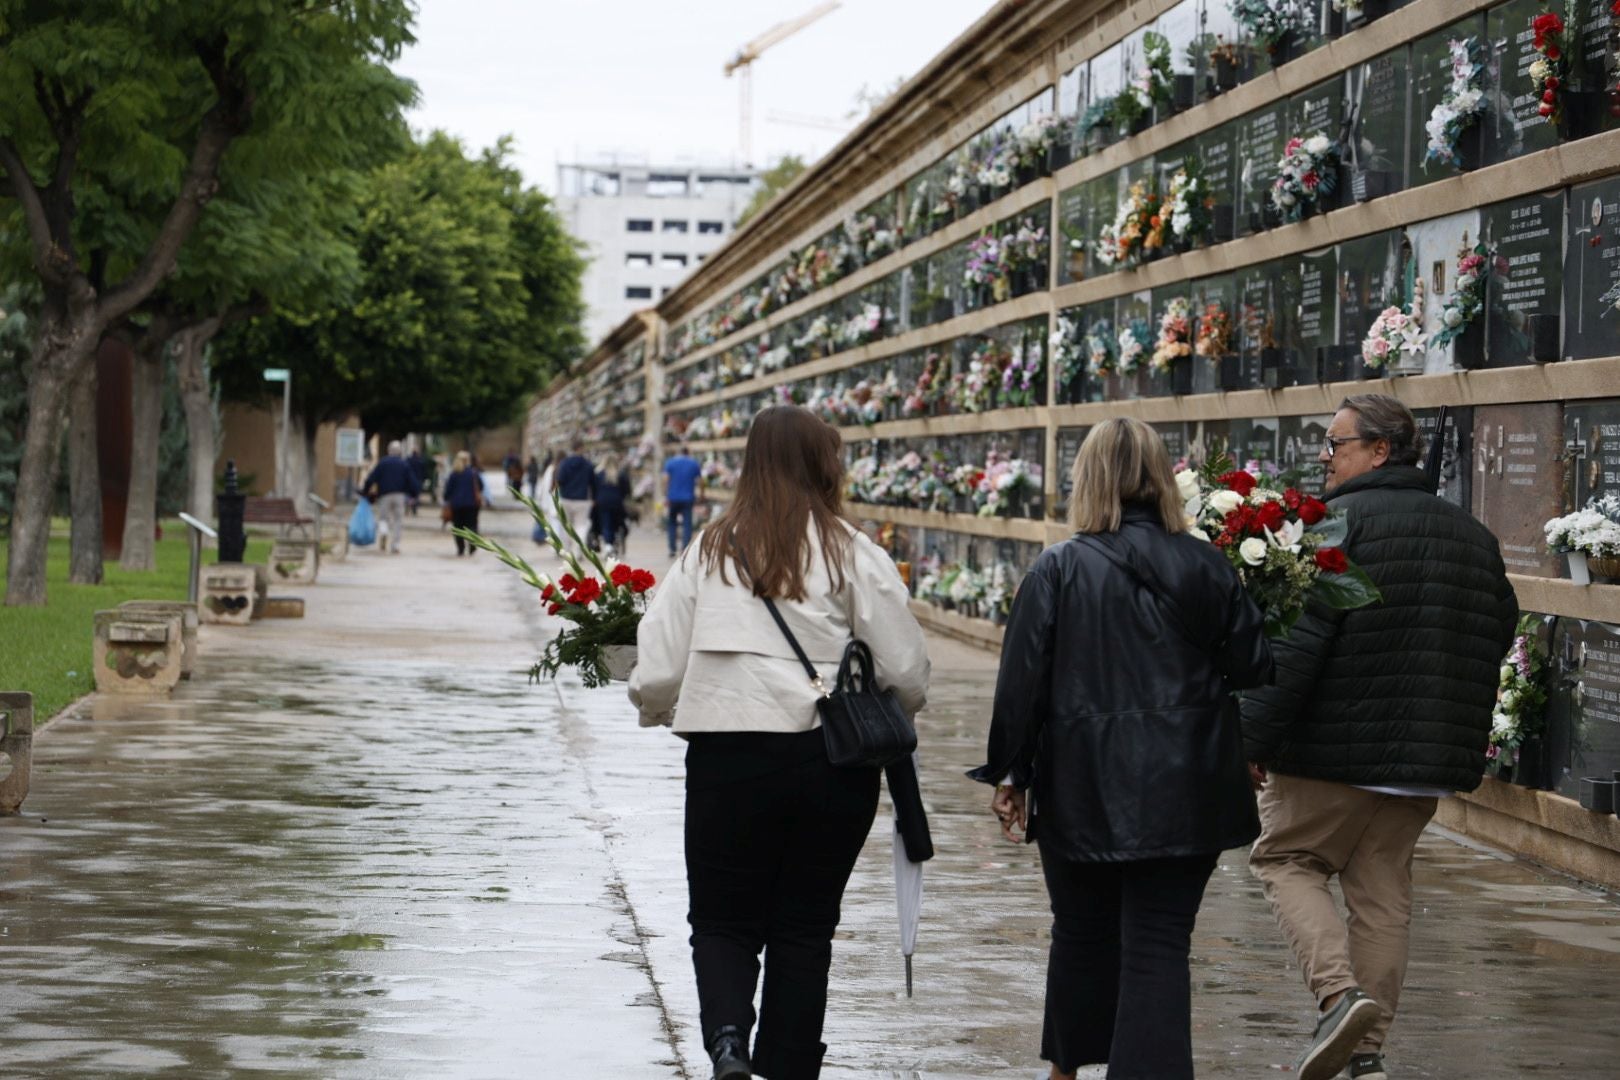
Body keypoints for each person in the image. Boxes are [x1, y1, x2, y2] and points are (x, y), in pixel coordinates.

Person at [630, 405, 931, 1080]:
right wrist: (888, 706)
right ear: (824, 463)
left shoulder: (706, 551)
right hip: (829, 762)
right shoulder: (852, 550)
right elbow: (907, 671)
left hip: (726, 756)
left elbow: (656, 670)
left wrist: (661, 709)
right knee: (804, 923)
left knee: (721, 918)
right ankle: (791, 1066)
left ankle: (729, 1044)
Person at [971, 417, 1272, 1080]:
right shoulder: (1205, 561)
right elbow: (1253, 663)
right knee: (1159, 945)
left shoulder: (1058, 567)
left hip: (1082, 787)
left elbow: (1020, 684)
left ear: (1091, 478)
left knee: (1079, 931)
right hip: (1188, 785)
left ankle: (1068, 1068)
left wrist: (1010, 774)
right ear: (1163, 479)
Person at [1241, 394, 1518, 1080]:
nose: (1326, 459)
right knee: (1382, 896)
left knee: (1288, 861)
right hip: (1419, 765)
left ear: (1379, 450)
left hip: (1329, 754)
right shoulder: (1473, 536)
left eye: (1336, 444)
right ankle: (1366, 1060)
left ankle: (1338, 998)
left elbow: (1300, 646)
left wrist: (1250, 736)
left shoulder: (1339, 526)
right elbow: (1497, 630)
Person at [362, 440, 418, 555]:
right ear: (399, 452)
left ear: (389, 451)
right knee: (398, 520)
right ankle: (395, 545)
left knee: (383, 518)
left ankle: (383, 532)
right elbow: (412, 481)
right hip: (399, 495)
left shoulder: (383, 463)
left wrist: (365, 491)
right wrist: (414, 494)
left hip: (384, 495)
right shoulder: (404, 464)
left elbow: (372, 478)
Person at [552, 438, 596, 555]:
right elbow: (593, 483)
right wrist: (594, 498)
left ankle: (567, 550)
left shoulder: (565, 463)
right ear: (581, 448)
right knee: (581, 526)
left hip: (566, 498)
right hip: (582, 500)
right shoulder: (588, 464)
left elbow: (560, 480)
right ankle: (578, 550)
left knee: (566, 526)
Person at [442, 450, 486, 557]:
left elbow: (448, 490)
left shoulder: (454, 474)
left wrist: (447, 499)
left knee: (458, 527)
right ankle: (472, 546)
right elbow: (481, 486)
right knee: (472, 526)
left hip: (457, 505)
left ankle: (461, 548)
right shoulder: (473, 473)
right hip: (472, 505)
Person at [663, 442, 703, 558]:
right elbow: (700, 481)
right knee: (687, 523)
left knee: (671, 523)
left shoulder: (670, 463)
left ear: (679, 452)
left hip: (673, 497)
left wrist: (666, 495)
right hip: (688, 498)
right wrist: (701, 495)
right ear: (688, 452)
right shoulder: (694, 464)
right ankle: (685, 548)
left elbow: (665, 480)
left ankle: (672, 548)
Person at [590, 453, 631, 557]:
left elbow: (594, 489)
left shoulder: (599, 474)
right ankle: (615, 539)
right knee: (617, 523)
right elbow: (626, 490)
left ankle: (608, 544)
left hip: (602, 502)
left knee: (606, 524)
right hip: (617, 503)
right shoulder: (620, 474)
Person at [406, 448, 428, 516]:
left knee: (409, 495)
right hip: (418, 480)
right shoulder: (420, 461)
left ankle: (407, 507)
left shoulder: (408, 460)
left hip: (409, 480)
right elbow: (424, 471)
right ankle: (414, 509)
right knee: (416, 496)